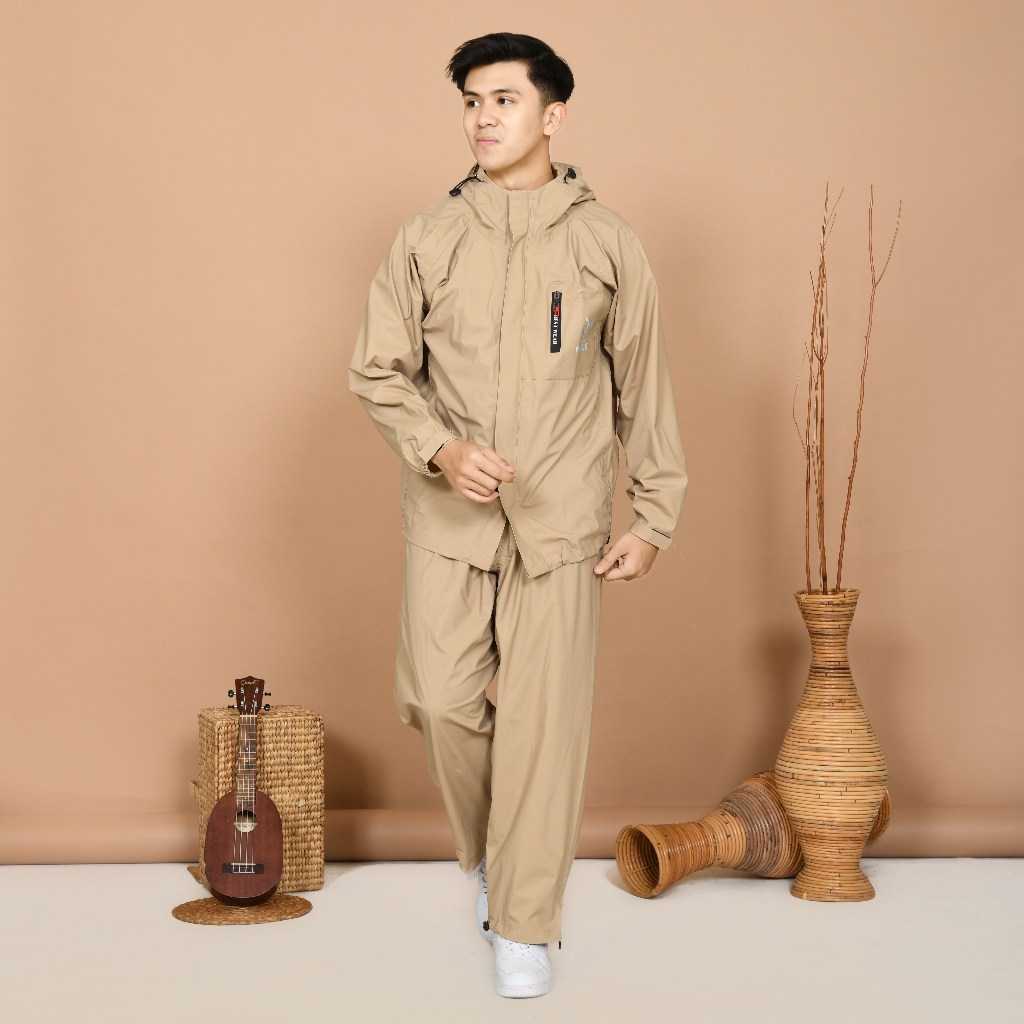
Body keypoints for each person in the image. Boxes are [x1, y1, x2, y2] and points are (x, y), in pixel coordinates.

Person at [348, 31, 687, 999]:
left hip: (562, 522)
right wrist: (440, 449)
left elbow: (644, 388)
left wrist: (653, 515)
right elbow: (377, 370)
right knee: (438, 699)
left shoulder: (607, 241)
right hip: (448, 520)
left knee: (544, 727)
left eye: (503, 99)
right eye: (471, 101)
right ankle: (505, 852)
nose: (483, 118)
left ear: (552, 114)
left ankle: (525, 919)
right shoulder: (427, 237)